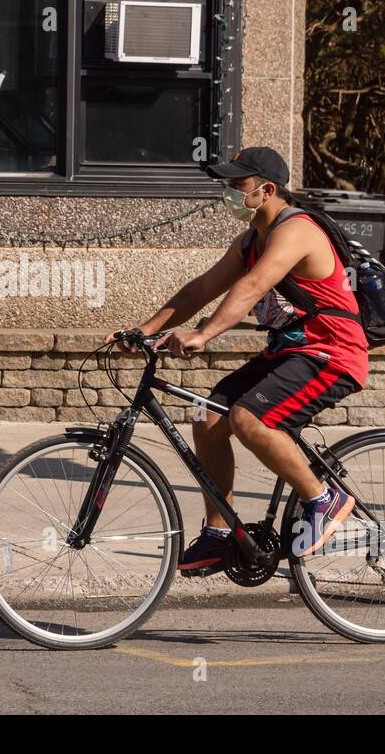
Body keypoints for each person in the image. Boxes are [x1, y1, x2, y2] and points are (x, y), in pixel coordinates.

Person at [108, 147, 369, 575]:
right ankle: (218, 534)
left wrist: (203, 334)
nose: (228, 192)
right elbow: (201, 289)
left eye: (236, 184)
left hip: (332, 352)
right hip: (290, 351)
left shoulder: (297, 230)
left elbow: (252, 286)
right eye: (226, 183)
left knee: (250, 420)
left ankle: (323, 498)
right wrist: (145, 330)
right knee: (207, 417)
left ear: (266, 191)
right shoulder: (250, 240)